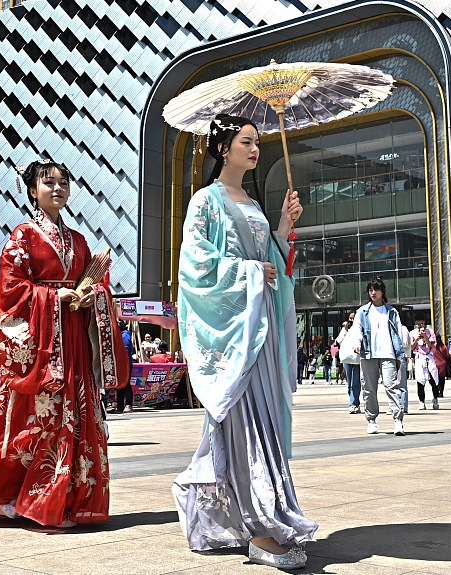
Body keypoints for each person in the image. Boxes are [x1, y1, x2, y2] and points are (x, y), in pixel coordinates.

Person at [0, 159, 129, 527]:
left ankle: (60, 497)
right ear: (32, 191)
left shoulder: (79, 240)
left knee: (71, 416)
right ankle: (9, 493)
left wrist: (93, 296)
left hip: (72, 335)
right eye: (48, 183)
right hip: (42, 344)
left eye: (64, 182)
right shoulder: (22, 236)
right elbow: (10, 289)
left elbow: (94, 283)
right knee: (34, 418)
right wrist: (52, 298)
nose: (57, 188)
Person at [171, 115, 315, 568]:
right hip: (234, 333)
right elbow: (195, 266)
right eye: (246, 141)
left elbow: (269, 259)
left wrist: (283, 227)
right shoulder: (205, 202)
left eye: (257, 142)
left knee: (264, 423)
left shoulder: (251, 202)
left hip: (261, 324)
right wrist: (251, 272)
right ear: (223, 148)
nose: (254, 149)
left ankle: (258, 518)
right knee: (245, 423)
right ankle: (260, 526)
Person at [354, 277, 407, 434]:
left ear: (382, 291)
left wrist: (400, 354)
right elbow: (357, 329)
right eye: (370, 290)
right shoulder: (362, 312)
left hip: (388, 353)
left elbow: (398, 332)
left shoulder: (391, 312)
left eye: (375, 289)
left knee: (391, 386)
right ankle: (371, 420)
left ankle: (398, 420)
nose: (373, 292)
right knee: (369, 388)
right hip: (368, 353)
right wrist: (357, 343)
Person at [410, 314, 440, 410]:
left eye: (422, 323)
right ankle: (421, 402)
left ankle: (435, 398)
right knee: (420, 381)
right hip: (419, 358)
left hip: (429, 358)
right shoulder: (412, 333)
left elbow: (430, 345)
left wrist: (424, 336)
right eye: (418, 324)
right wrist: (417, 338)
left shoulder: (430, 332)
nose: (420, 326)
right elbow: (411, 347)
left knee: (433, 380)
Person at [335, 316, 362, 413]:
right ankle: (354, 401)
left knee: (355, 382)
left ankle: (353, 404)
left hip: (357, 358)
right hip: (347, 358)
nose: (351, 321)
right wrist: (344, 329)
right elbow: (338, 340)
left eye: (353, 319)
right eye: (350, 319)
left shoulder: (360, 328)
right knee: (349, 382)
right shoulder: (345, 331)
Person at [115, 321, 136, 413]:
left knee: (126, 383)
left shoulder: (125, 335)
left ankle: (128, 404)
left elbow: (126, 348)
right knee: (119, 384)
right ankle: (120, 405)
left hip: (125, 363)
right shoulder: (120, 335)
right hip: (120, 363)